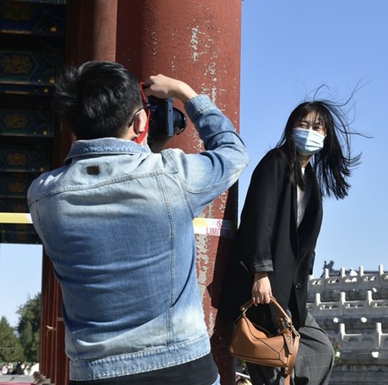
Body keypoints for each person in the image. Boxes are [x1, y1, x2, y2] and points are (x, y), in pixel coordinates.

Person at [27, 61, 248, 384]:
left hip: (95, 372)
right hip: (182, 366)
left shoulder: (44, 196)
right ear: (141, 120)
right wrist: (185, 94)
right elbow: (233, 152)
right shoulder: (172, 177)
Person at [223, 99, 360, 385]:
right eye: (303, 124)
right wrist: (261, 273)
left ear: (326, 136)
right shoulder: (276, 162)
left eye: (317, 127)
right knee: (270, 358)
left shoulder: (310, 179)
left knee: (320, 350)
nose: (309, 131)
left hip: (290, 289)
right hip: (264, 284)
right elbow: (258, 220)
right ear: (291, 127)